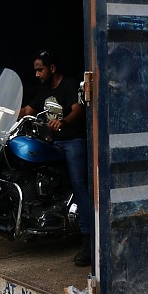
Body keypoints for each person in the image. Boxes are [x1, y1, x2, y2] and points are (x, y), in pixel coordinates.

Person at [18, 49, 93, 266]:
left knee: (80, 186)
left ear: (51, 68)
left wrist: (64, 122)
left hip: (72, 141)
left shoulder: (69, 86)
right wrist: (6, 111)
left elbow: (77, 110)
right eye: (35, 70)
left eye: (40, 70)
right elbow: (28, 110)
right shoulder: (44, 90)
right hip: (52, 141)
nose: (37, 74)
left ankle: (88, 241)